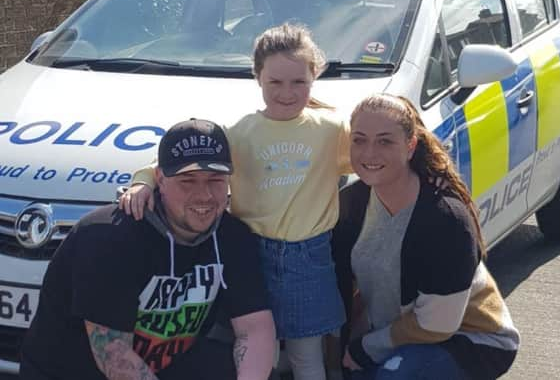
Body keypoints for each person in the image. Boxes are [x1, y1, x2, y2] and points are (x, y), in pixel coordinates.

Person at [120, 23, 350, 380]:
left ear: (314, 78)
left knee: (307, 353)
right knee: (261, 349)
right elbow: (174, 163)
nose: (287, 93)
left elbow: (374, 157)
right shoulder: (239, 133)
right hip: (251, 253)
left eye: (298, 82)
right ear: (257, 77)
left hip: (309, 258)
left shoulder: (332, 129)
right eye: (275, 82)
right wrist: (143, 183)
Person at [21, 119, 276, 380]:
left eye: (216, 179)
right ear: (160, 180)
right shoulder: (108, 236)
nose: (204, 195)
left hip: (163, 366)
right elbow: (112, 352)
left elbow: (254, 328)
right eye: (187, 181)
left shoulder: (232, 236)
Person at [332, 94, 520, 380]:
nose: (369, 153)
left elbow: (438, 325)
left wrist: (365, 348)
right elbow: (348, 291)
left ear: (410, 146)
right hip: (395, 333)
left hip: (468, 338)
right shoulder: (352, 204)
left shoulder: (444, 218)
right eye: (359, 140)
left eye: (385, 141)